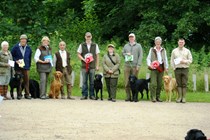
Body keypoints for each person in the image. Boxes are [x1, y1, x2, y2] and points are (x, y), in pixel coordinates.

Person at [77, 32, 100, 100]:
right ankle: (84, 95)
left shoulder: (95, 45)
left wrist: (97, 65)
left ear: (91, 37)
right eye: (87, 36)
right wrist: (83, 59)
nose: (88, 38)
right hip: (84, 66)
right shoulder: (82, 45)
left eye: (89, 36)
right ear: (85, 37)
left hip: (92, 66)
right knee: (84, 81)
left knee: (92, 81)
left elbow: (97, 56)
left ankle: (92, 95)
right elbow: (78, 54)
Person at [147, 36, 168, 102]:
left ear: (161, 42)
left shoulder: (163, 50)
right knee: (153, 83)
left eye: (159, 42)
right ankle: (153, 97)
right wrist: (149, 65)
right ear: (155, 42)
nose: (158, 43)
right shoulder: (152, 49)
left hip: (161, 68)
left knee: (159, 83)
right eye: (157, 42)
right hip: (154, 68)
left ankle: (158, 97)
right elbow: (148, 58)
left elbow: (165, 59)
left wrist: (166, 67)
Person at [171, 38, 192, 103]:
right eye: (180, 42)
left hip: (185, 69)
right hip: (177, 69)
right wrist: (174, 68)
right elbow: (172, 60)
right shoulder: (174, 51)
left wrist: (184, 61)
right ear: (178, 42)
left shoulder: (187, 51)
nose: (181, 43)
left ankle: (184, 98)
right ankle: (179, 97)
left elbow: (190, 60)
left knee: (184, 84)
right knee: (178, 84)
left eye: (182, 42)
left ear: (184, 43)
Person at [122, 33, 143, 101]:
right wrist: (126, 54)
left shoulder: (138, 46)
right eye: (130, 37)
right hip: (127, 66)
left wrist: (138, 65)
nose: (131, 38)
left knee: (135, 83)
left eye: (132, 37)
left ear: (134, 38)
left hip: (135, 66)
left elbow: (140, 56)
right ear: (129, 38)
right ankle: (128, 96)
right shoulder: (126, 46)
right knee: (127, 82)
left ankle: (135, 97)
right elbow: (122, 53)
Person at [11, 34, 32, 99]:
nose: (23, 40)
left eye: (25, 39)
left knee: (26, 80)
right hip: (18, 67)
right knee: (18, 81)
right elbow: (11, 56)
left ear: (26, 40)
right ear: (20, 40)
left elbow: (30, 57)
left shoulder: (28, 48)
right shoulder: (15, 47)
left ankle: (27, 94)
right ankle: (19, 94)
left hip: (26, 67)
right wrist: (16, 61)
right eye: (22, 39)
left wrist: (29, 65)